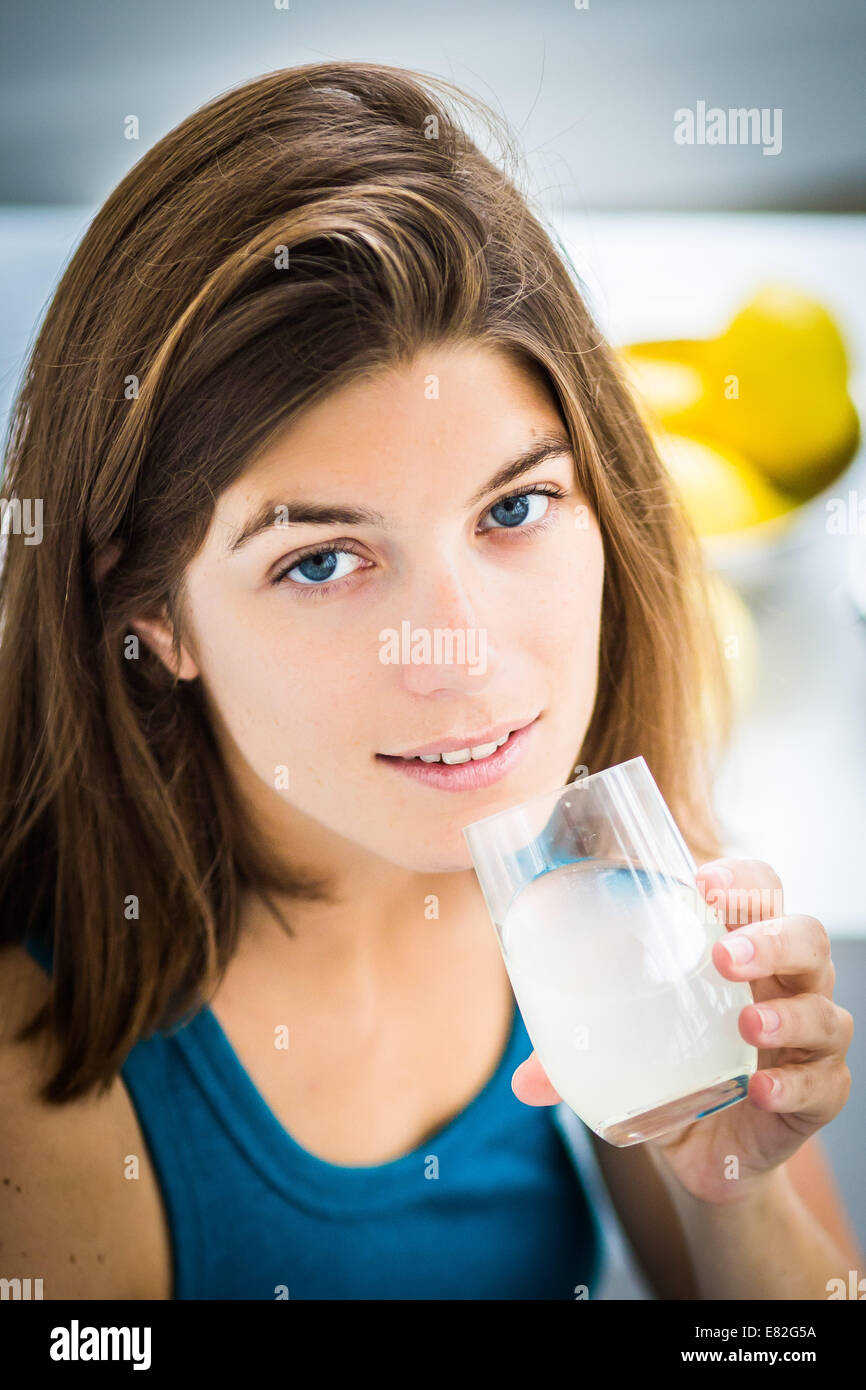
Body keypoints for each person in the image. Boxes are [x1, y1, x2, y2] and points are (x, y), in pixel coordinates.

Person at [0, 61, 860, 1301]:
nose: (462, 657)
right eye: (323, 560)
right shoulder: (46, 1117)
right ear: (152, 613)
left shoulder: (586, 863)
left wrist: (731, 1185)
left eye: (513, 505)